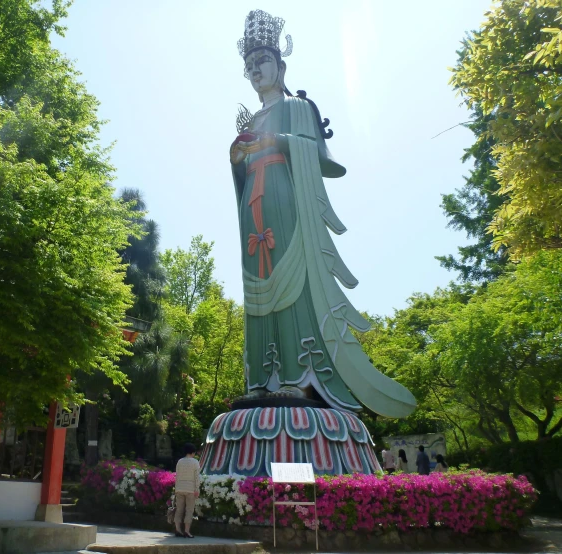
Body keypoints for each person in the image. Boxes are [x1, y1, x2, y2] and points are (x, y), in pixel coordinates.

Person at [230, 10, 416, 419]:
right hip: (253, 206)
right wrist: (238, 156)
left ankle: (298, 377)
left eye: (261, 61)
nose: (255, 71)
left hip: (284, 197)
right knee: (258, 292)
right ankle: (261, 381)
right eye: (248, 66)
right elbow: (241, 170)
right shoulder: (251, 117)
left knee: (293, 284)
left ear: (280, 65)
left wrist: (274, 139)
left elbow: (316, 155)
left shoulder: (296, 106)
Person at [174, 443, 200, 539]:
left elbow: (177, 475)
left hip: (179, 488)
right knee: (189, 510)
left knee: (179, 509)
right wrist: (197, 489)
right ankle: (187, 531)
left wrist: (176, 488)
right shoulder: (195, 462)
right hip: (190, 489)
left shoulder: (180, 461)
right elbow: (197, 477)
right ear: (192, 452)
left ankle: (177, 529)